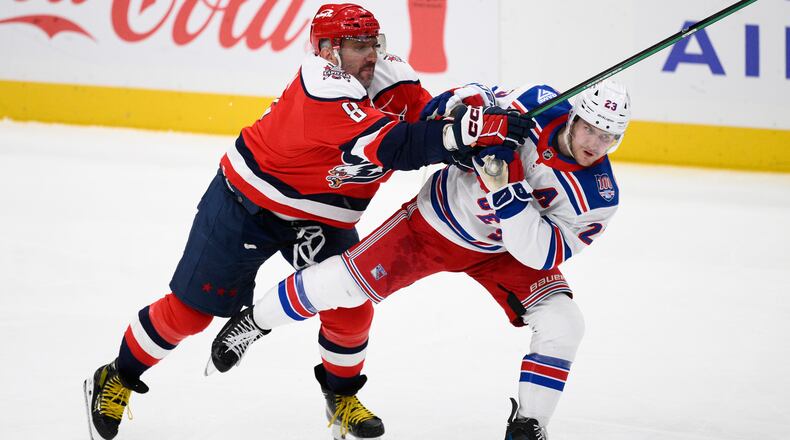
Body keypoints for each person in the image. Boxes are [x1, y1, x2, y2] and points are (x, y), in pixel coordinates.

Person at [82, 3, 531, 440]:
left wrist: (473, 118)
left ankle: (340, 398)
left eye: (373, 43)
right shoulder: (320, 89)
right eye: (358, 45)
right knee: (190, 313)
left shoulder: (390, 75)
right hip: (245, 204)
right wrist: (468, 132)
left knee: (351, 303)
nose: (371, 54)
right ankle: (116, 377)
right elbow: (399, 147)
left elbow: (426, 118)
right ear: (327, 50)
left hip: (318, 217)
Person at [208, 79, 632, 440]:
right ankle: (255, 322)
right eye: (590, 129)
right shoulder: (536, 100)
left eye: (608, 137)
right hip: (436, 225)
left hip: (504, 252)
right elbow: (450, 104)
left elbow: (537, 253)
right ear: (574, 118)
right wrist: (475, 115)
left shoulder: (599, 197)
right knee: (342, 285)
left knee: (564, 322)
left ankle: (529, 425)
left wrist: (507, 182)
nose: (595, 144)